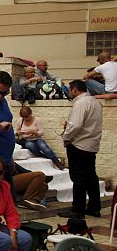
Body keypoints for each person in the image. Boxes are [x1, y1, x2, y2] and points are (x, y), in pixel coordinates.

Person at [60, 79, 103, 219]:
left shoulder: (80, 103)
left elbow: (76, 125)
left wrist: (66, 138)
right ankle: (94, 207)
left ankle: (77, 209)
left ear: (74, 89)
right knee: (91, 177)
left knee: (78, 177)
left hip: (79, 144)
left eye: (70, 90)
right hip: (91, 144)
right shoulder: (95, 102)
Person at [15, 105, 64, 170]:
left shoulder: (37, 120)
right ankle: (44, 156)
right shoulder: (20, 121)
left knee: (44, 147)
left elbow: (41, 132)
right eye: (23, 117)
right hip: (26, 140)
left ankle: (57, 162)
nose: (25, 118)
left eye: (26, 116)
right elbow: (16, 132)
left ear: (30, 114)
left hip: (37, 138)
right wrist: (19, 133)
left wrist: (35, 132)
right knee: (30, 145)